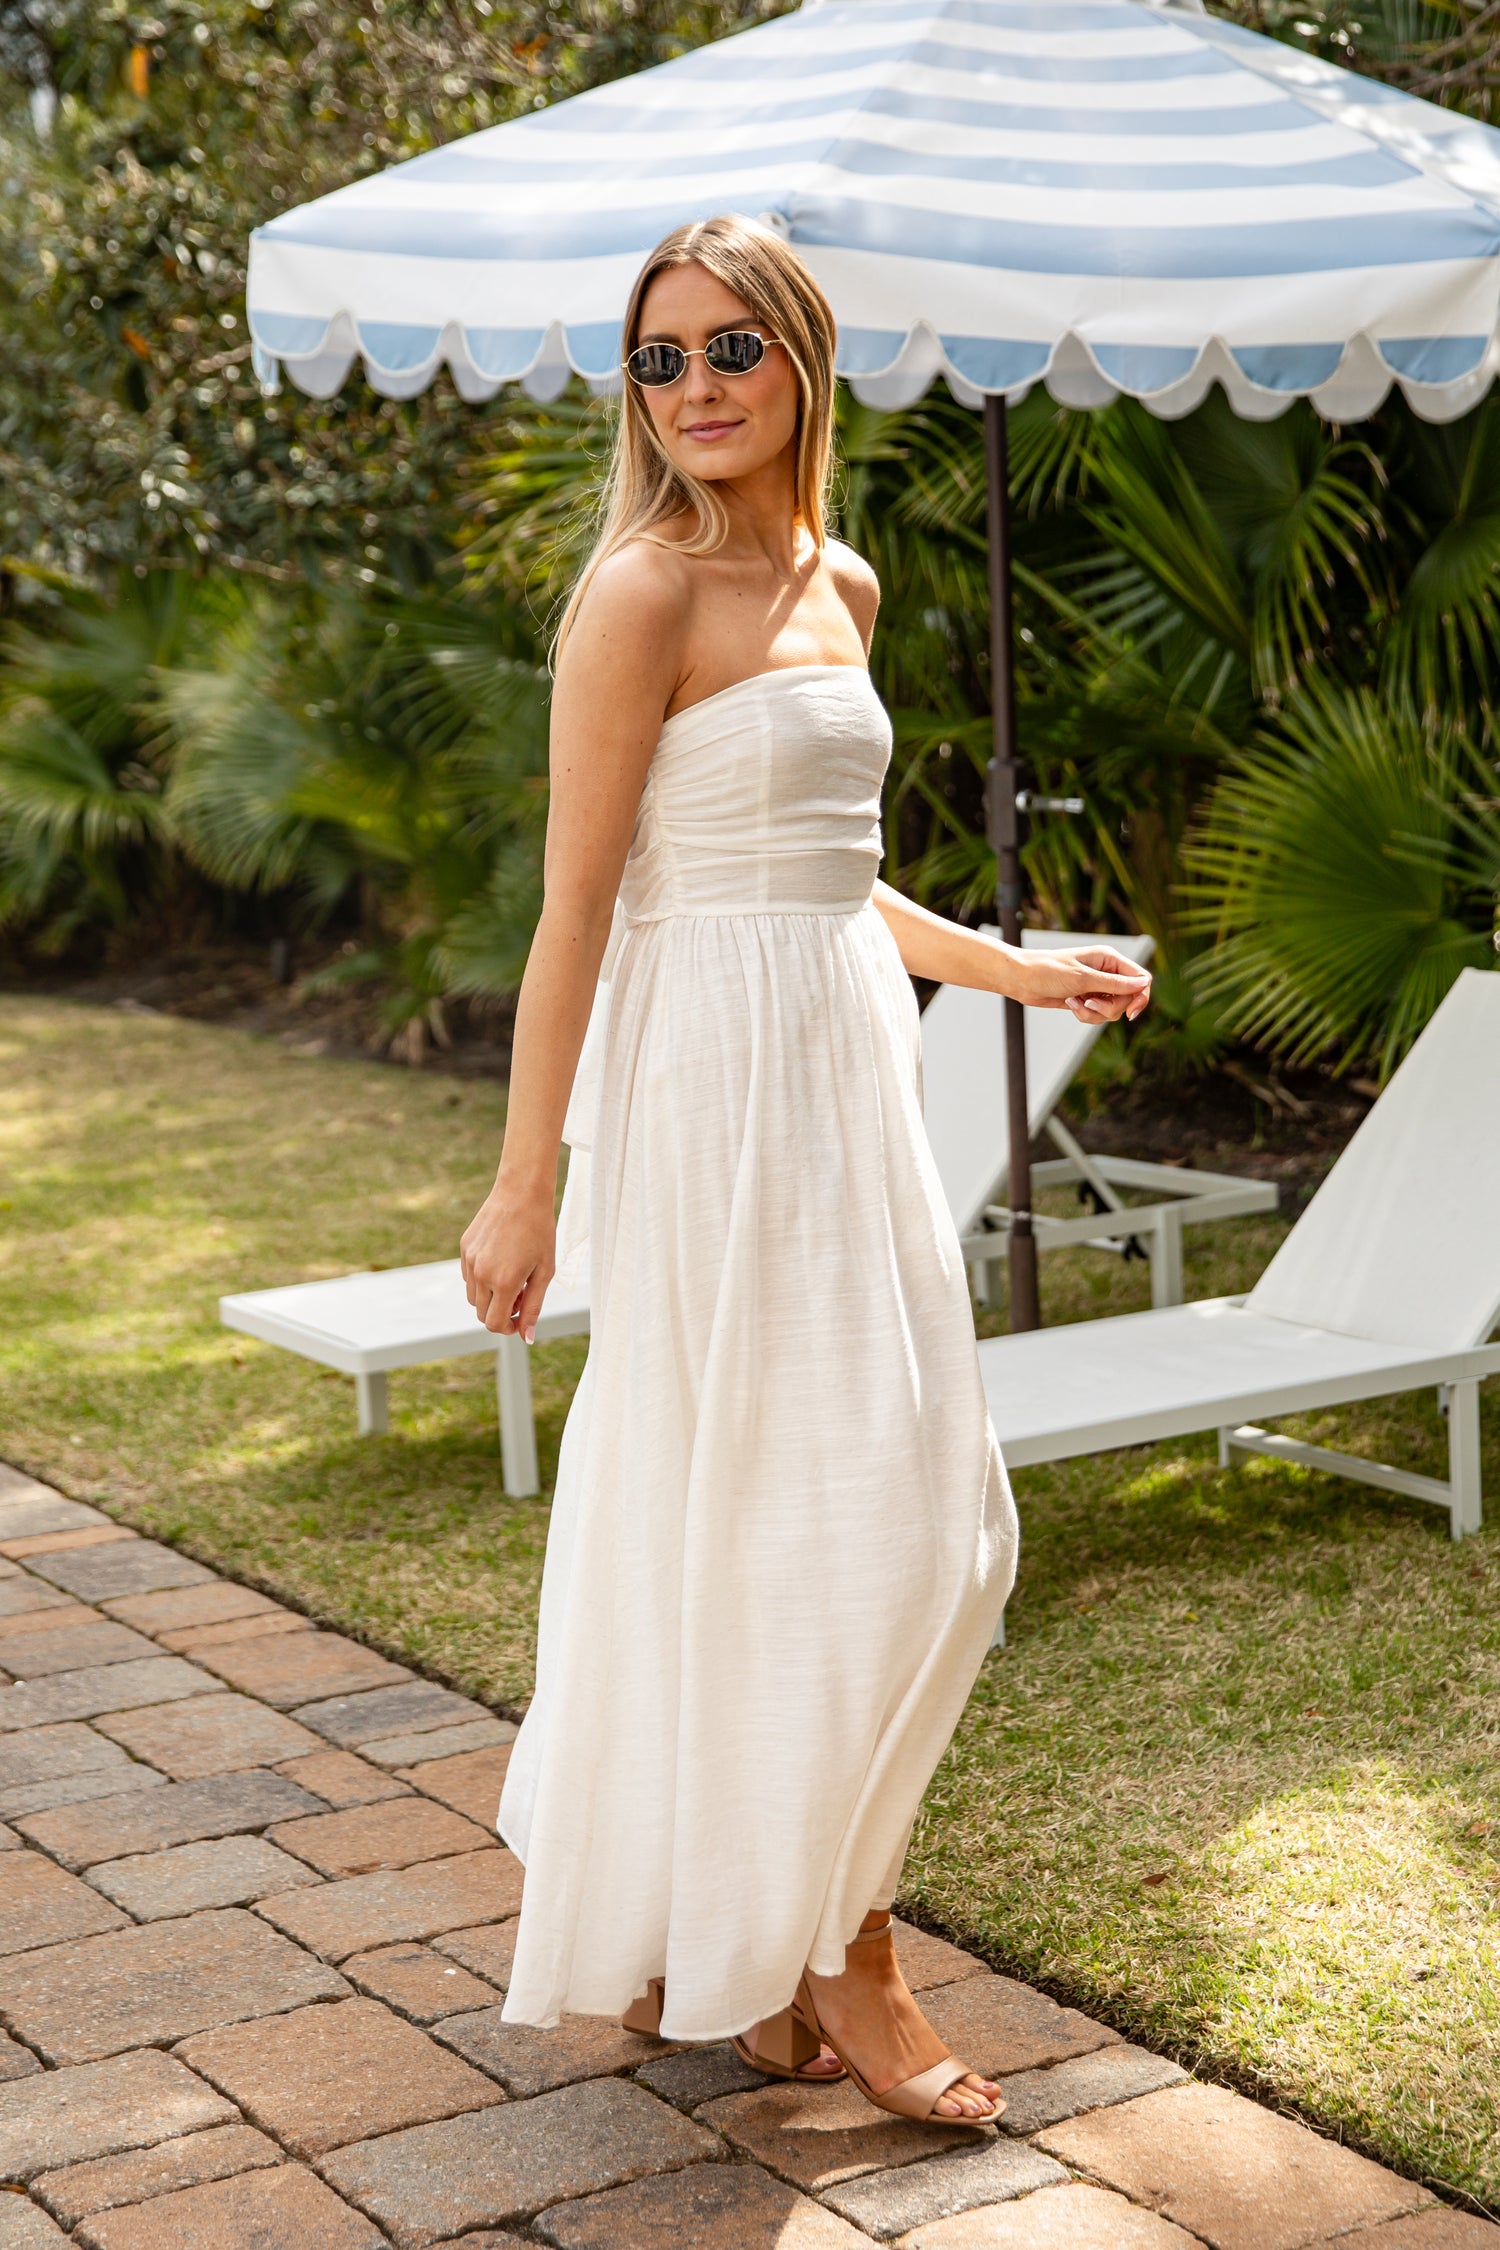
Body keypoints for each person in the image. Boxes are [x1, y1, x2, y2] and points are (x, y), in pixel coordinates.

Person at [460, 214, 1151, 2125]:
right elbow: (578, 909)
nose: (693, 390)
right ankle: (840, 1957)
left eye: (729, 350)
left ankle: (762, 1939)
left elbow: (827, 864)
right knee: (760, 1506)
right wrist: (529, 1185)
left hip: (843, 1068)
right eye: (660, 359)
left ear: (803, 363)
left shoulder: (840, 574)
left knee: (932, 1526)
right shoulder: (638, 598)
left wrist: (1014, 963)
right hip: (702, 1093)